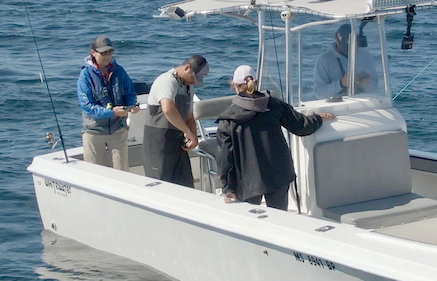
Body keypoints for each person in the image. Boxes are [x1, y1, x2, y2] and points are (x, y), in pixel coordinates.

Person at [217, 65, 335, 209]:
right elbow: (301, 126)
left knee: (249, 222)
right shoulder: (273, 105)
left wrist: (228, 188)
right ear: (257, 81)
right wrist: (318, 118)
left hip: (247, 179)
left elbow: (225, 157)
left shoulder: (228, 119)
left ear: (235, 85)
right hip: (279, 173)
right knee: (280, 219)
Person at [143, 54, 209, 187]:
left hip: (177, 144)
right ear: (187, 67)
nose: (195, 82)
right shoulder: (166, 80)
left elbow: (189, 115)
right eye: (194, 77)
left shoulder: (189, 87)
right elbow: (168, 109)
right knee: (161, 186)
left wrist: (194, 136)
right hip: (158, 142)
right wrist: (187, 132)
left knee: (185, 186)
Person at [76, 35, 139, 170]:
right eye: (103, 53)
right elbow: (87, 106)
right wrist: (111, 112)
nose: (107, 56)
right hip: (93, 131)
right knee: (94, 173)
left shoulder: (119, 71)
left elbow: (130, 93)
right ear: (93, 53)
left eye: (110, 52)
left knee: (122, 172)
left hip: (117, 128)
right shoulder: (85, 75)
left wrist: (132, 105)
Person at [313, 23, 380, 99]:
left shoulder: (365, 55)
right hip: (337, 105)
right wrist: (341, 83)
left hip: (362, 101)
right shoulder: (324, 60)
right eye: (348, 46)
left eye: (355, 44)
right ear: (337, 41)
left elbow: (375, 83)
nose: (353, 49)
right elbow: (319, 93)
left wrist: (367, 84)